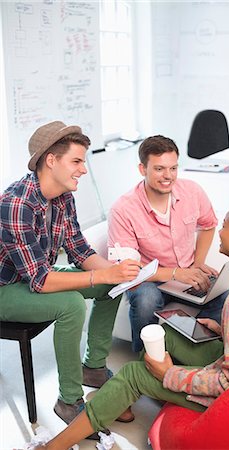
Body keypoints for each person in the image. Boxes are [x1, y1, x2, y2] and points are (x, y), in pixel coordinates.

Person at [30, 192, 229, 450]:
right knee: (165, 332)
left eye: (225, 225)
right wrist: (224, 331)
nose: (220, 230)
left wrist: (170, 375)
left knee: (134, 374)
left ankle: (54, 446)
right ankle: (121, 395)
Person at [0, 121, 141, 435]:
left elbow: (79, 249)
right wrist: (103, 273)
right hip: (5, 289)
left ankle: (92, 368)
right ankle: (69, 400)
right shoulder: (16, 204)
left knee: (109, 285)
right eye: (76, 161)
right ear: (51, 160)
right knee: (72, 305)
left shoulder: (63, 197)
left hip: (34, 276)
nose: (83, 169)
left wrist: (116, 274)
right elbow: (41, 281)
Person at [108, 135, 220, 352]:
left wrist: (197, 264)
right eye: (159, 169)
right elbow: (128, 268)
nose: (168, 176)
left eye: (173, 168)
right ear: (143, 169)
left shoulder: (192, 191)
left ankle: (192, 352)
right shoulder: (123, 209)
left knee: (225, 295)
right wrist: (176, 274)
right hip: (149, 279)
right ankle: (145, 359)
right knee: (146, 299)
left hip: (186, 272)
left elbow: (208, 225)